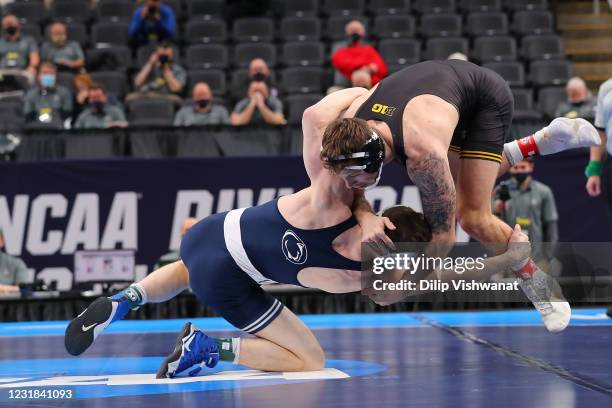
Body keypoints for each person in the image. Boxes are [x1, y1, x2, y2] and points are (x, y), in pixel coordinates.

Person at [65, 178, 530, 378]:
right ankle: (209, 346)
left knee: (189, 271)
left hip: (211, 231)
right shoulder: (359, 277)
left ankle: (127, 298)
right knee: (309, 359)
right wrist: (502, 261)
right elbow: (433, 280)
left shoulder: (340, 200)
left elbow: (324, 142)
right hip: (227, 278)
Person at [305, 60, 601, 331]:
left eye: (355, 176)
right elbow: (320, 112)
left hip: (482, 99)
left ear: (374, 158)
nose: (351, 184)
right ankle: (534, 143)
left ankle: (542, 288)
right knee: (467, 181)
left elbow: (444, 238)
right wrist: (366, 216)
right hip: (434, 95)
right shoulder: (339, 128)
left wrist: (407, 285)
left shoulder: (424, 158)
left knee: (472, 217)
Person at [493, 158, 558, 271]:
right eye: (516, 167)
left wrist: (548, 256)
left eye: (523, 167)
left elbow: (551, 228)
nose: (519, 171)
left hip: (537, 258)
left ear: (531, 167)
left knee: (539, 288)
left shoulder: (543, 191)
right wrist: (497, 210)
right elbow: (490, 224)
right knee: (506, 287)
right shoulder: (500, 191)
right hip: (507, 258)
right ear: (510, 168)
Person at [331, 20, 388, 87]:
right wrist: (366, 67)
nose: (354, 33)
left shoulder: (369, 49)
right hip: (345, 86)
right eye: (352, 30)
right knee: (332, 91)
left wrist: (364, 68)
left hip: (370, 86)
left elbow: (382, 69)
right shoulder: (340, 50)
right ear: (347, 33)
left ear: (363, 33)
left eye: (357, 30)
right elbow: (340, 62)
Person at [24, 62, 72, 127]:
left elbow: (67, 116)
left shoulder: (64, 92)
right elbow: (28, 116)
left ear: (56, 76)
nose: (48, 76)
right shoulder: (31, 94)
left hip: (58, 129)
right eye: (45, 73)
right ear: (38, 76)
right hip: (37, 129)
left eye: (51, 74)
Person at [0, 14, 39, 84]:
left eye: (11, 23)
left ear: (18, 24)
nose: (9, 26)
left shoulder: (29, 41)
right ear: (3, 27)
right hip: (2, 72)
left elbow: (34, 58)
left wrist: (32, 67)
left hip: (22, 71)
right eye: (6, 24)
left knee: (31, 75)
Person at [0, 229, 30, 294]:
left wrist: (3, 289)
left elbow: (24, 289)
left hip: (6, 303)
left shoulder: (16, 264)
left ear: (2, 242)